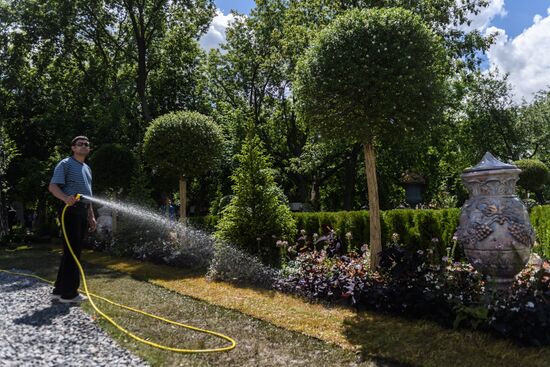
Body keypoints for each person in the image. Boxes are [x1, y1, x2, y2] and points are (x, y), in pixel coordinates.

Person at [48, 136, 96, 303]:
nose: (84, 146)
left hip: (82, 211)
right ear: (73, 148)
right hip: (70, 210)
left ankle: (59, 290)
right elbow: (53, 186)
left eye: (86, 144)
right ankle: (70, 294)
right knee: (73, 251)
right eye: (80, 144)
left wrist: (91, 216)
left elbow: (87, 195)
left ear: (89, 149)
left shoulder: (87, 169)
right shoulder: (65, 164)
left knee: (72, 251)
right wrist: (65, 198)